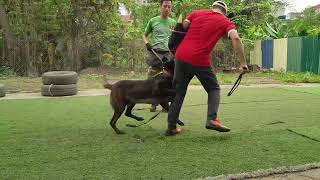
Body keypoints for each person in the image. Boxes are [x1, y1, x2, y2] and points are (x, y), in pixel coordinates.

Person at [165, 1, 248, 136]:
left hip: (181, 55)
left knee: (179, 92)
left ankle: (171, 128)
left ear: (213, 8)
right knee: (213, 88)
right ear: (224, 12)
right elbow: (236, 38)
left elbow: (183, 26)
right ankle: (212, 119)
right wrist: (243, 63)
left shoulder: (196, 13)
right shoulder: (226, 22)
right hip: (199, 59)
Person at [143, 0, 176, 112]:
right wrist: (147, 43)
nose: (167, 8)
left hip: (168, 54)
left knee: (168, 79)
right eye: (165, 6)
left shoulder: (173, 23)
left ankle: (165, 103)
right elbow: (144, 35)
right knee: (152, 78)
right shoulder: (153, 21)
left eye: (169, 7)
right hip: (155, 53)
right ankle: (153, 102)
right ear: (160, 7)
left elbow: (176, 39)